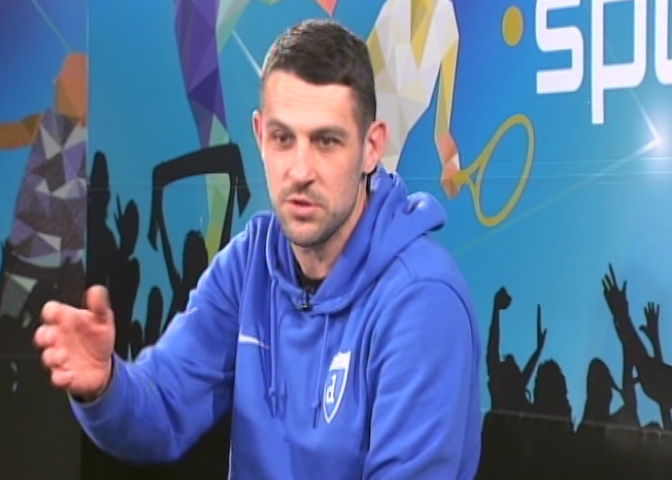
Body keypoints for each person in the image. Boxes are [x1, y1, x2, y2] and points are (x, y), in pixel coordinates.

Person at [34, 18, 482, 480]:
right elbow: (163, 406)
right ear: (259, 136)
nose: (300, 171)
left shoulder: (422, 299)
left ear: (371, 148)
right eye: (283, 138)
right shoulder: (250, 263)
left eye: (327, 141)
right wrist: (105, 385)